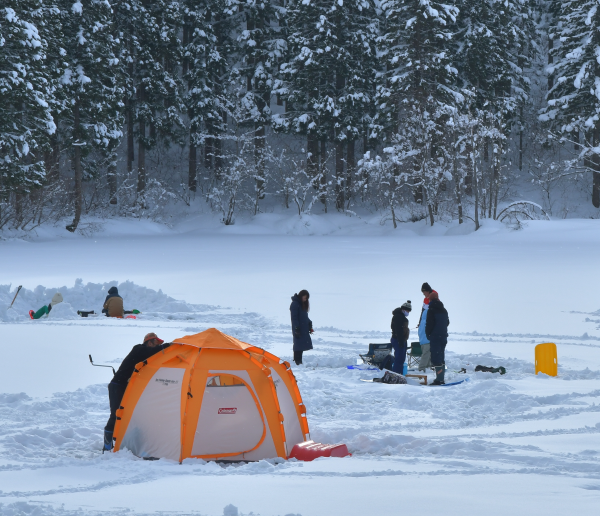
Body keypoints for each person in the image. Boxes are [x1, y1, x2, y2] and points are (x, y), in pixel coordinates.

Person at [103, 332, 171, 451]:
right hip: (117, 385)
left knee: (127, 413)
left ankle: (120, 439)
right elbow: (153, 352)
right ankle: (107, 444)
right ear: (149, 342)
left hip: (126, 387)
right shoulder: (139, 349)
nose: (158, 346)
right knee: (116, 413)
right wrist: (170, 346)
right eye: (157, 343)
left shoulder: (146, 356)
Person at [425, 291, 450, 385]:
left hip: (435, 337)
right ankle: (441, 378)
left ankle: (439, 380)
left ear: (430, 300)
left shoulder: (431, 310)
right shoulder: (444, 310)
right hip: (443, 336)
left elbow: (429, 324)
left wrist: (428, 334)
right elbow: (447, 322)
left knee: (436, 358)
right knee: (441, 357)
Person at [290, 290, 314, 366]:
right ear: (301, 296)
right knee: (298, 345)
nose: (305, 300)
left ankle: (299, 361)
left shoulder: (301, 304)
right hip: (298, 328)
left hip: (303, 327)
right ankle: (297, 361)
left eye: (306, 298)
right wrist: (296, 327)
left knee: (301, 345)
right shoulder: (295, 304)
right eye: (304, 298)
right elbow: (294, 318)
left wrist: (309, 324)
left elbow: (304, 317)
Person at [417, 282, 437, 371]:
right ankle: (425, 369)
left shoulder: (434, 298)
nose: (423, 294)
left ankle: (423, 369)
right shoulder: (426, 301)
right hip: (424, 329)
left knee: (427, 352)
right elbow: (423, 312)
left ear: (427, 291)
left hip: (428, 330)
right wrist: (420, 322)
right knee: (427, 351)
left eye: (424, 292)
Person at [390, 300, 412, 374]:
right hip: (398, 340)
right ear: (403, 309)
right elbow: (398, 330)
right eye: (407, 311)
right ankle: (396, 374)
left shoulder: (401, 316)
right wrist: (400, 341)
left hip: (402, 340)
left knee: (401, 359)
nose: (408, 312)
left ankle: (399, 374)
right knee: (399, 359)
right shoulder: (398, 317)